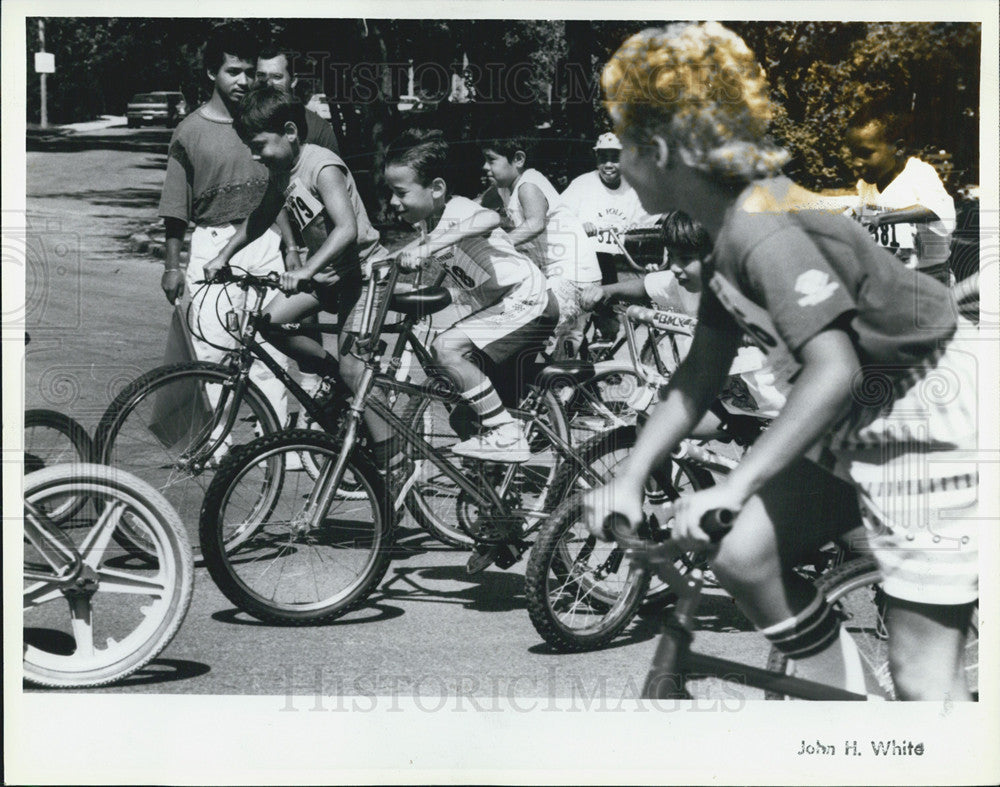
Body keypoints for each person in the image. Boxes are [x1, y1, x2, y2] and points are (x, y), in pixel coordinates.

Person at [588, 22, 977, 700]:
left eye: (623, 141)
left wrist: (734, 486)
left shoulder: (763, 227)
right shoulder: (726, 236)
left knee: (924, 679)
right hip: (863, 408)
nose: (617, 159)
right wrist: (630, 473)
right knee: (742, 552)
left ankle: (915, 741)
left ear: (657, 148)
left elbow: (834, 370)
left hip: (928, 416)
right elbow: (699, 373)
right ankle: (854, 710)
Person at [200, 85, 408, 482]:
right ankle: (342, 384)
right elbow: (261, 217)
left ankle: (395, 462)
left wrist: (306, 269)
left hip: (365, 273)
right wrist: (222, 255)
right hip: (329, 275)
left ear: (291, 132)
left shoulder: (322, 165)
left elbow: (346, 229)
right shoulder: (281, 173)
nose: (254, 154)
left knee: (354, 366)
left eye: (258, 145)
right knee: (268, 323)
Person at [387, 129, 558, 462]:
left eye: (400, 192)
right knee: (466, 411)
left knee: (446, 348)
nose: (393, 202)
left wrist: (430, 247)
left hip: (527, 301)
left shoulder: (458, 210)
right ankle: (490, 492)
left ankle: (507, 436)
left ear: (436, 189)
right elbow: (446, 277)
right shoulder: (433, 227)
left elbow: (490, 216)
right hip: (506, 306)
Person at [158, 22, 291, 430]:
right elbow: (175, 206)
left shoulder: (262, 122)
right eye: (234, 71)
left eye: (250, 72)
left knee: (272, 346)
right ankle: (215, 444)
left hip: (263, 242)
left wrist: (291, 245)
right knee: (212, 348)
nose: (244, 80)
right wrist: (172, 265)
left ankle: (277, 442)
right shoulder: (190, 131)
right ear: (211, 74)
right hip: (212, 244)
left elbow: (277, 190)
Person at [580, 210, 785, 429]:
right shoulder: (684, 284)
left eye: (686, 259)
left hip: (784, 414)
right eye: (671, 256)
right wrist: (606, 291)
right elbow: (645, 285)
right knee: (651, 425)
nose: (675, 267)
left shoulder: (754, 290)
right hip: (730, 407)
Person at [480, 137, 602, 359]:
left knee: (513, 332)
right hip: (552, 276)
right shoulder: (503, 188)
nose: (485, 167)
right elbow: (476, 210)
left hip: (574, 276)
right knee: (552, 353)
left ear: (518, 159)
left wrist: (493, 246)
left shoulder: (529, 184)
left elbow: (535, 223)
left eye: (491, 160)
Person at [561, 132, 659, 342]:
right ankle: (572, 361)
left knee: (610, 318)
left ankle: (604, 360)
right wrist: (579, 225)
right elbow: (559, 216)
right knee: (578, 319)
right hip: (582, 260)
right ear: (596, 159)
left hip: (612, 260)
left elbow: (648, 221)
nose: (608, 164)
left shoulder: (633, 188)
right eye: (602, 158)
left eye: (614, 158)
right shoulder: (582, 184)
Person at [845, 101, 956, 284]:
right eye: (853, 154)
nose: (856, 162)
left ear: (898, 148)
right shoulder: (866, 185)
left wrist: (881, 218)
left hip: (928, 277)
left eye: (865, 153)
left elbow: (936, 209)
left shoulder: (919, 173)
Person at [255, 44, 340, 155]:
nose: (268, 83)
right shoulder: (241, 120)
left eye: (276, 77)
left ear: (293, 81)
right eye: (261, 75)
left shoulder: (316, 128)